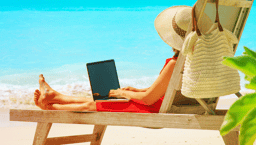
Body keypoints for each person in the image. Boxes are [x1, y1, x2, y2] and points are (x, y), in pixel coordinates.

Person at [34, 6, 213, 113]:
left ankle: (51, 108)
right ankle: (55, 96)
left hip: (154, 109)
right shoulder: (193, 60)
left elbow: (149, 99)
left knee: (93, 104)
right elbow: (163, 90)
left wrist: (124, 93)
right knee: (102, 100)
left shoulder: (175, 63)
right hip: (164, 105)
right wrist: (136, 89)